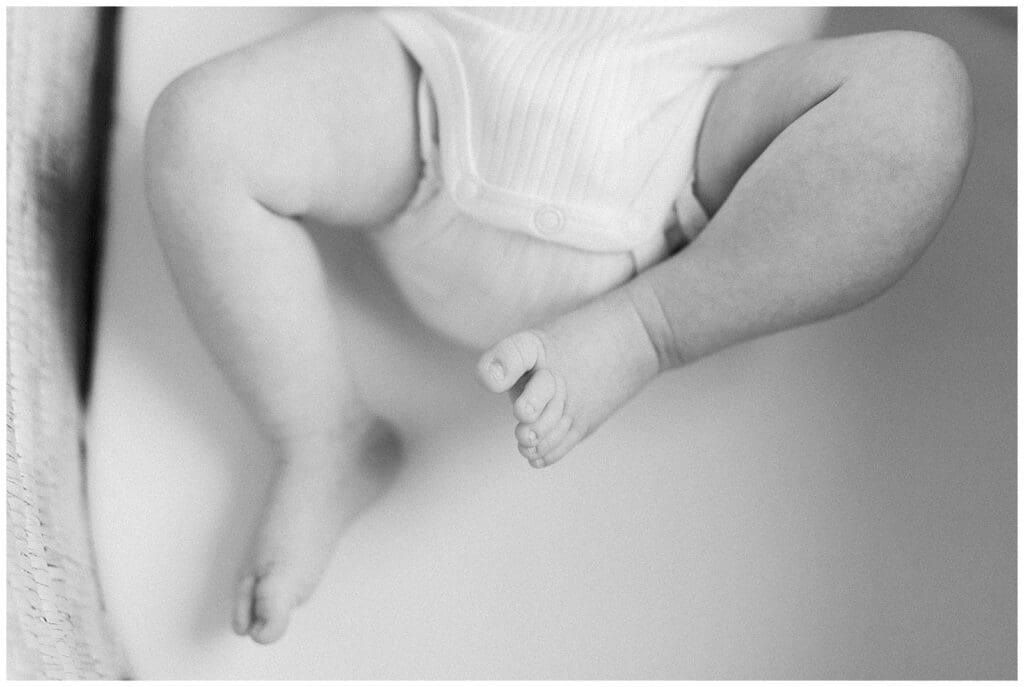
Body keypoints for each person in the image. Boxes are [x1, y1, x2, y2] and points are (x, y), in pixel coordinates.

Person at [142, 7, 973, 644]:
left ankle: (652, 327)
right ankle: (325, 435)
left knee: (919, 96)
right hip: (443, 81)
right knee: (199, 130)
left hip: (687, 152)